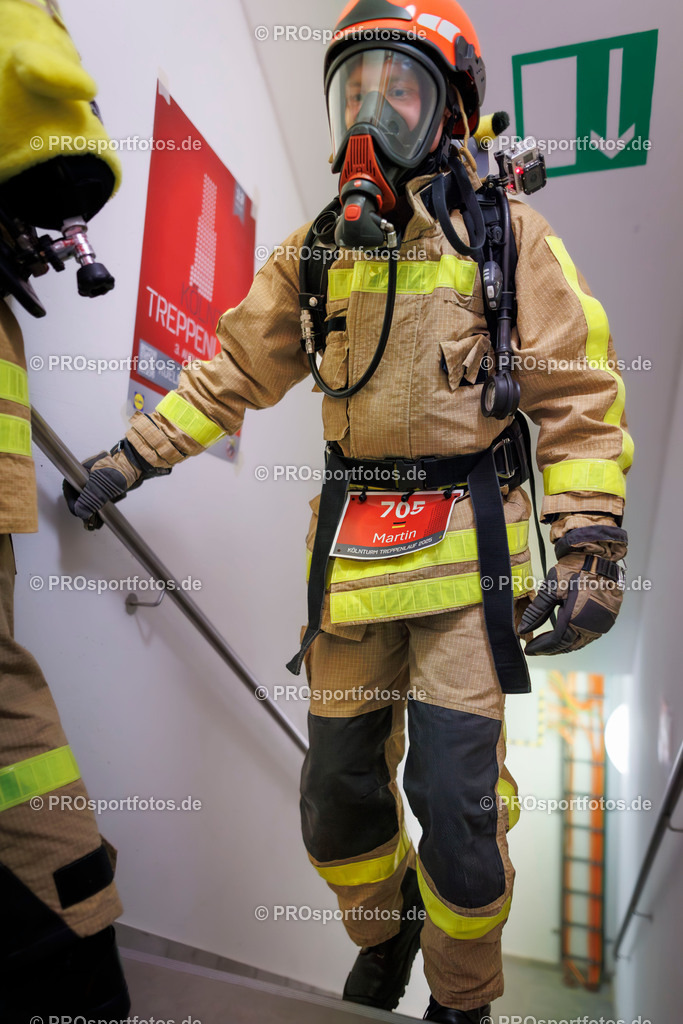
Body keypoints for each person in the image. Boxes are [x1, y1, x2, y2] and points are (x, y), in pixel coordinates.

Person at [65, 0, 632, 1019]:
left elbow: (576, 393)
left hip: (467, 566)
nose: (371, 114)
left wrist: (588, 542)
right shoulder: (317, 252)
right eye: (353, 91)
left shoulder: (508, 238)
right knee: (335, 803)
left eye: (398, 90)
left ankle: (461, 996)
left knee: (456, 804)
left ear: (448, 110)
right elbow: (232, 370)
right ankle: (387, 933)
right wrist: (132, 457)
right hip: (353, 563)